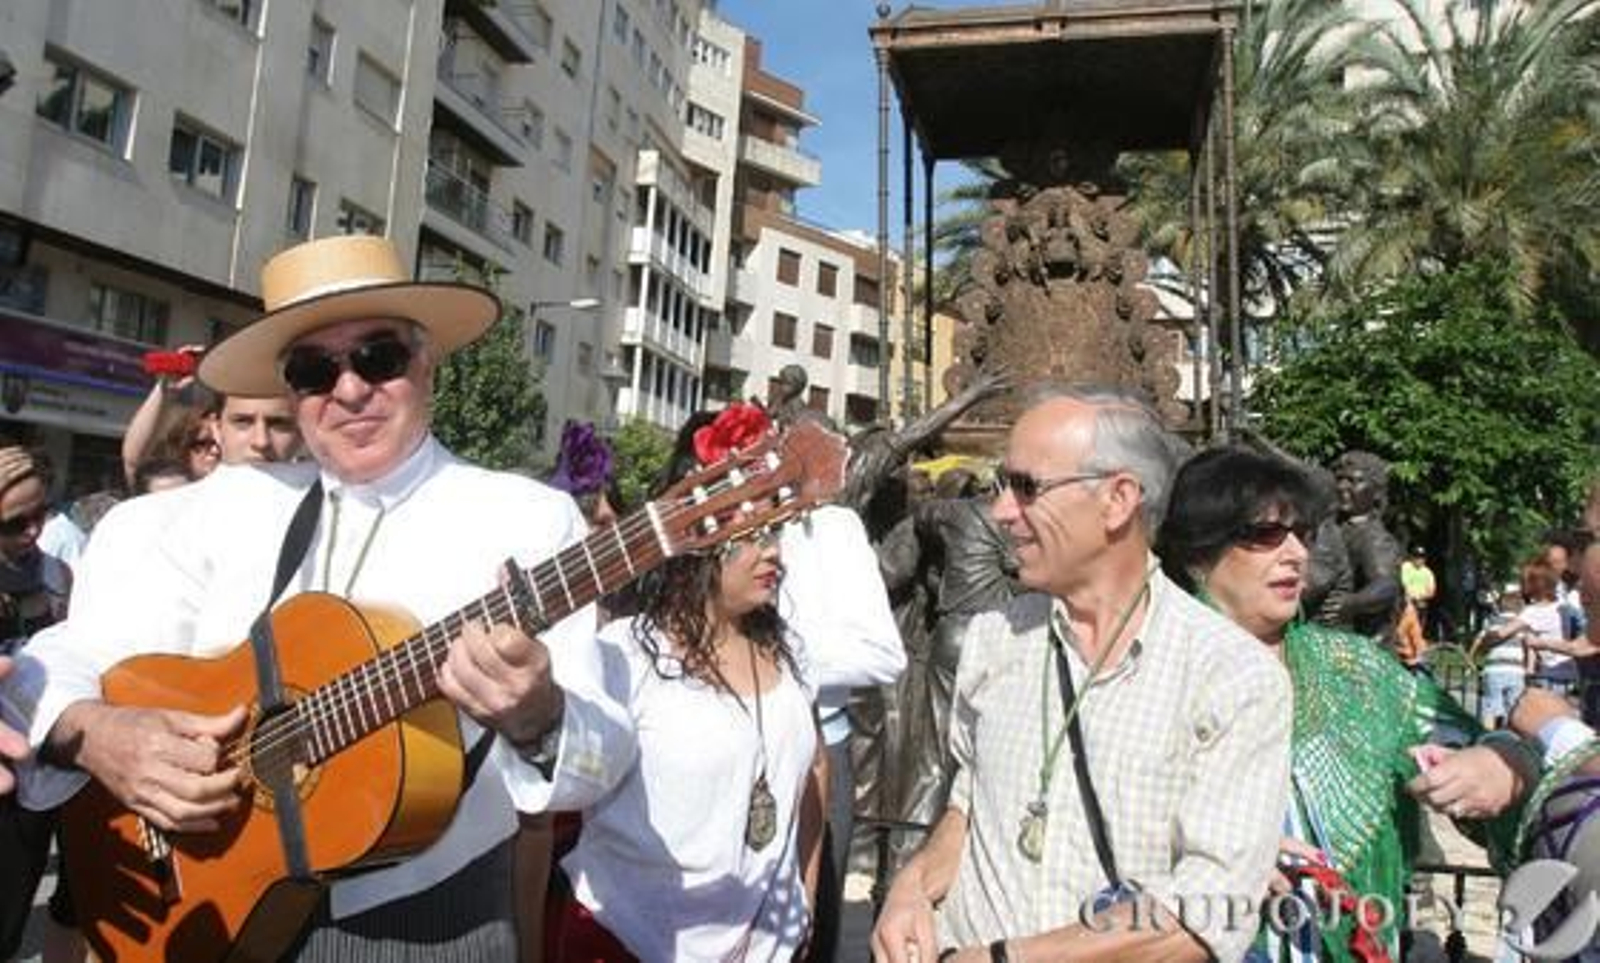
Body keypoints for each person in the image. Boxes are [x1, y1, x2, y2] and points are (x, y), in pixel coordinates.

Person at [1, 235, 634, 960]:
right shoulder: (220, 509)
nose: (351, 389)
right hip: (220, 896)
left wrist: (540, 717)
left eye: (379, 357)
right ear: (291, 393)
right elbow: (59, 657)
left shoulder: (524, 519)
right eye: (313, 369)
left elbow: (605, 752)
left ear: (428, 363)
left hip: (430, 925)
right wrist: (96, 730)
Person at [872, 385, 1292, 963]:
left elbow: (1207, 915)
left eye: (1026, 488)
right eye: (1001, 486)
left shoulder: (1232, 676)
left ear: (1118, 499)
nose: (1001, 512)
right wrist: (912, 889)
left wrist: (1007, 958)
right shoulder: (994, 638)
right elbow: (966, 809)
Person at [1156, 446, 1534, 961]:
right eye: (1267, 534)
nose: (1295, 554)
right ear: (1198, 551)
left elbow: (1482, 766)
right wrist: (1214, 855)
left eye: (1303, 535)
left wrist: (1502, 762)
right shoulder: (1142, 675)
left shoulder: (1360, 671)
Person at [548, 404, 826, 961]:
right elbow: (551, 808)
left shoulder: (793, 654)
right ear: (699, 531)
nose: (772, 552)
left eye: (776, 528)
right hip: (623, 942)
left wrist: (804, 907)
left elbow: (816, 770)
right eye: (751, 532)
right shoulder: (624, 655)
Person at [1329, 451, 1404, 643]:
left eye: (1354, 481)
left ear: (1376, 492)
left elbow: (1386, 586)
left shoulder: (1372, 535)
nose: (1342, 486)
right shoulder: (1339, 526)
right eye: (1340, 479)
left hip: (1365, 647)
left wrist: (1348, 604)